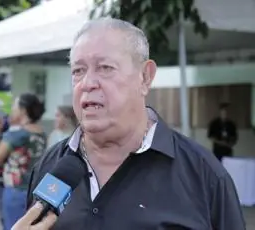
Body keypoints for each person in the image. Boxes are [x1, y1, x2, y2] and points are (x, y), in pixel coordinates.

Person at [19, 18, 245, 230]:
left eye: (105, 68)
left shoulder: (204, 175)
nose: (87, 83)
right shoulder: (49, 167)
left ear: (145, 77)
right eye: (78, 71)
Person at [0, 93, 47, 230]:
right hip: (36, 190)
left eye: (14, 107)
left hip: (16, 189)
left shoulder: (17, 134)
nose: (12, 110)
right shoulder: (41, 133)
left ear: (23, 110)